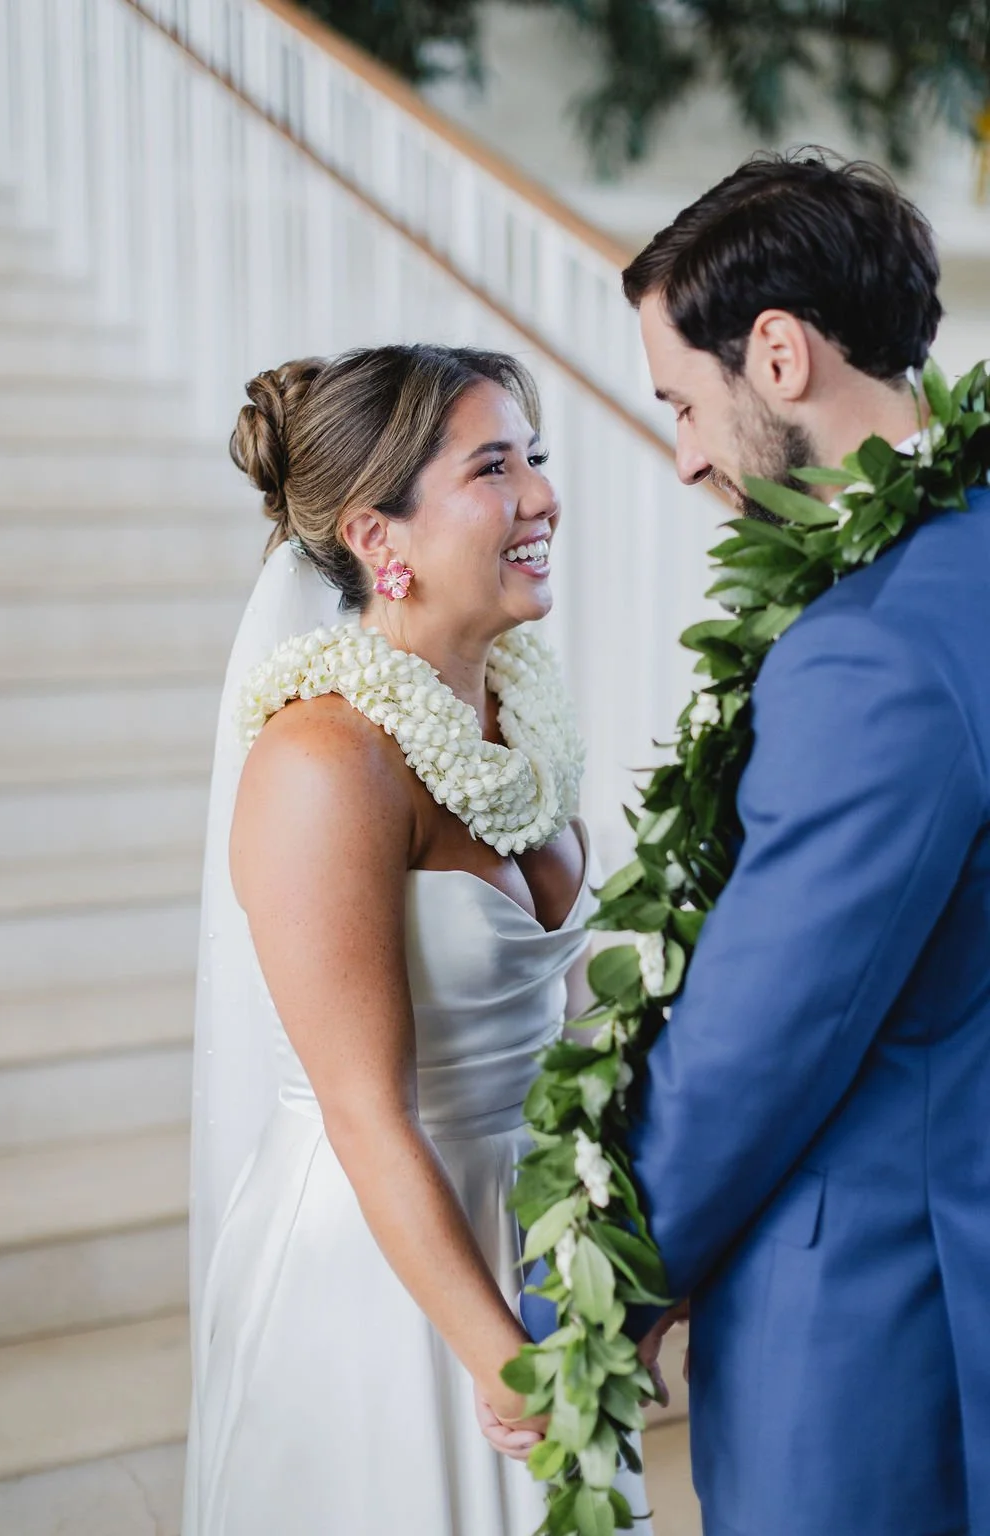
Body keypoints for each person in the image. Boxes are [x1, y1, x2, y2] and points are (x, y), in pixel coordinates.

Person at [511, 151, 990, 1534]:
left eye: (681, 400)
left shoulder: (876, 654)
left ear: (776, 354)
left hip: (885, 1319)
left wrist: (575, 1304)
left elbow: (758, 1038)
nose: (685, 458)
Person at [181, 343, 650, 1535]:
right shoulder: (321, 764)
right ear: (379, 540)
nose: (543, 494)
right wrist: (500, 1358)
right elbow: (364, 1112)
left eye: (534, 457)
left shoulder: (518, 712)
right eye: (495, 467)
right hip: (386, 1268)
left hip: (542, 1235)